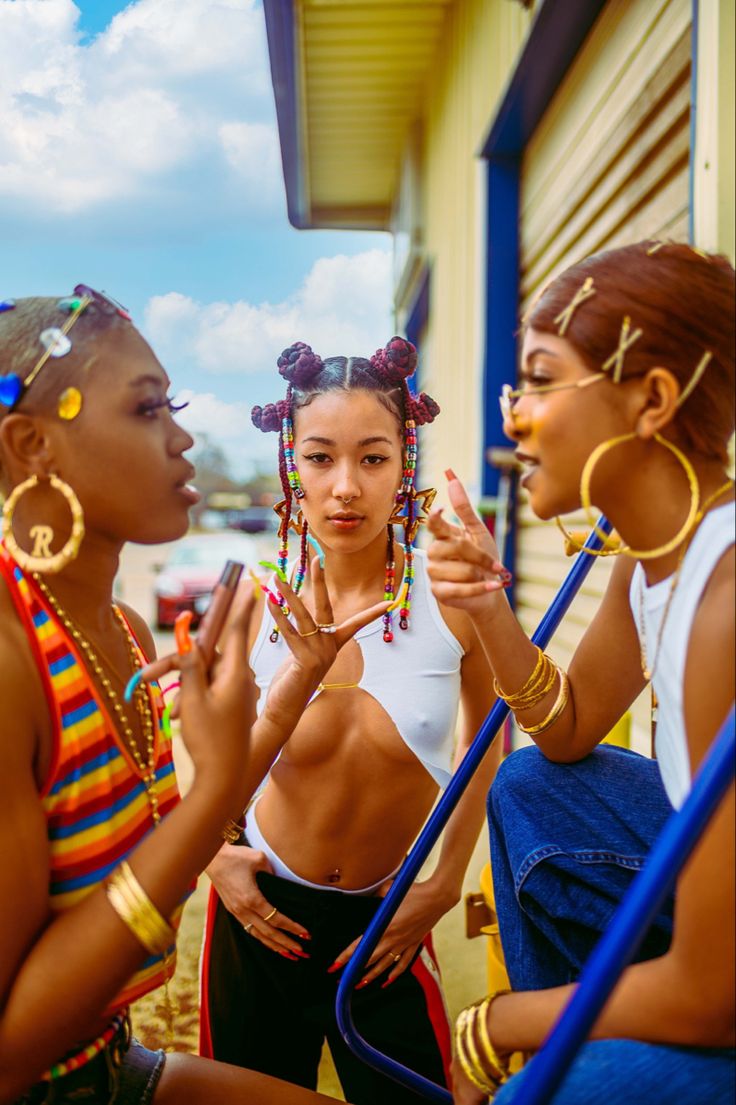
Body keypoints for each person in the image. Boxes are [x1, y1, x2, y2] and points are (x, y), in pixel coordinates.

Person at [0, 289, 383, 1105]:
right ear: (32, 445)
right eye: (146, 409)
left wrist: (291, 689)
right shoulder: (8, 662)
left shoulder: (128, 633)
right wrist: (211, 794)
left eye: (171, 404)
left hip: (108, 1064)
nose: (183, 437)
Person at [424, 241, 735, 1104]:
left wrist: (502, 1025)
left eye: (539, 379)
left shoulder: (725, 603)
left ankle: (578, 1062)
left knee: (567, 1082)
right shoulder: (657, 557)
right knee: (526, 784)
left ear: (653, 400)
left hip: (725, 985)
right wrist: (489, 607)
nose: (513, 416)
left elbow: (718, 995)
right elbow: (566, 730)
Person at [200, 338, 501, 1103]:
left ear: (404, 464)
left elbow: (490, 736)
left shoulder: (453, 600)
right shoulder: (252, 601)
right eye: (319, 458)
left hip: (385, 927)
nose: (344, 488)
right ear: (289, 466)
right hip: (260, 912)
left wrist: (444, 881)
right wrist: (213, 856)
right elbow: (190, 737)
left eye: (371, 459)